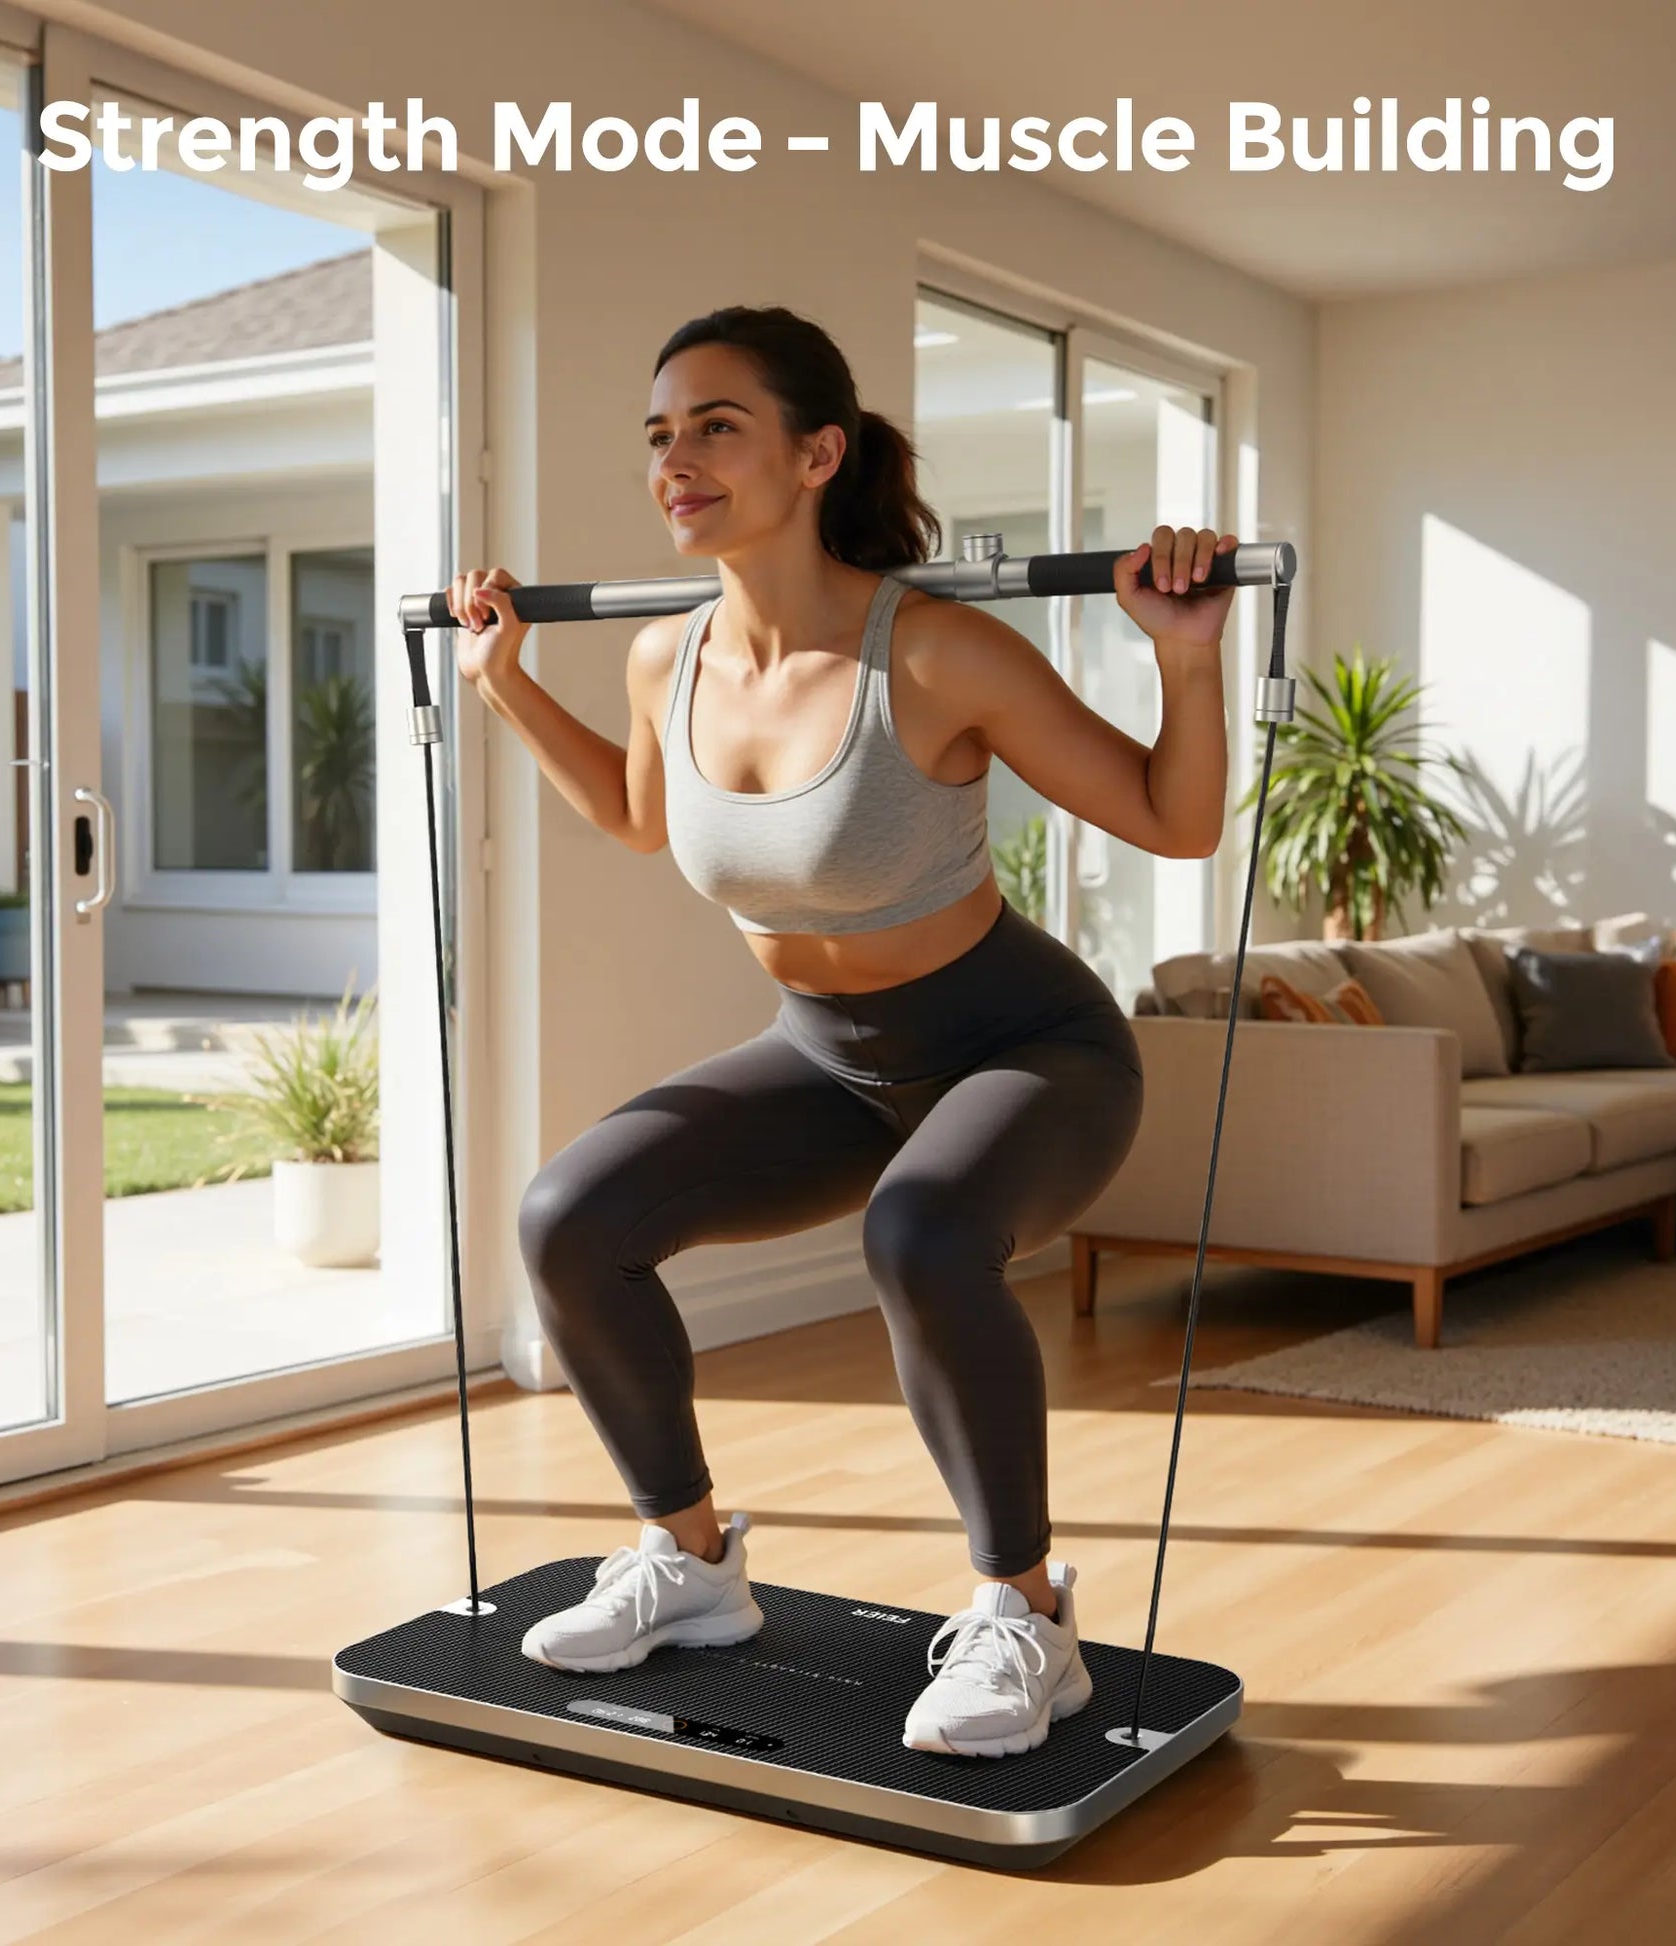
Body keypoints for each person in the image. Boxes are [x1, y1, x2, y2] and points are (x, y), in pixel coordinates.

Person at [445, 303, 1236, 1760]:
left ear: (818, 455)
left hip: (1026, 1049)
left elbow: (1172, 821)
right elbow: (637, 815)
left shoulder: (933, 654)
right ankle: (691, 1563)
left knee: (922, 1233)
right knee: (570, 1218)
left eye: (716, 427)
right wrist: (504, 686)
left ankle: (1027, 1616)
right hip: (827, 1056)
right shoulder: (664, 658)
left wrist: (1186, 657)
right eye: (660, 435)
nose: (676, 461)